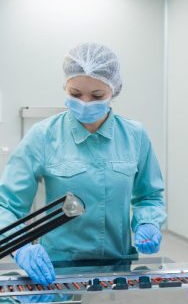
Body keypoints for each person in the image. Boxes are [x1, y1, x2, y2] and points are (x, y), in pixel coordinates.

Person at [0, 43, 166, 286]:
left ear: (114, 90)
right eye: (75, 94)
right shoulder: (43, 136)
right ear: (64, 87)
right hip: (56, 271)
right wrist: (21, 246)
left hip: (117, 270)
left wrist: (148, 222)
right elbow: (6, 205)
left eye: (97, 96)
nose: (85, 103)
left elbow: (149, 196)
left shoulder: (134, 135)